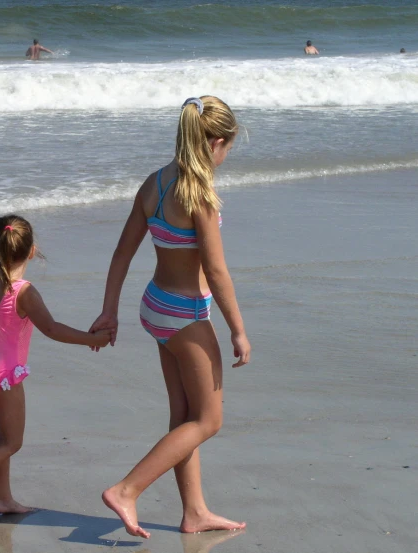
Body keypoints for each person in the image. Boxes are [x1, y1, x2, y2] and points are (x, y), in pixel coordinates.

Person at [89, 96, 251, 539]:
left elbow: (123, 252)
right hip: (184, 315)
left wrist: (109, 309)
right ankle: (127, 489)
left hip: (154, 307)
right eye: (227, 148)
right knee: (209, 420)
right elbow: (216, 271)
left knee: (183, 416)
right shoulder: (198, 195)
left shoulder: (156, 182)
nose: (225, 156)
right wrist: (238, 329)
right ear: (216, 142)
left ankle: (194, 511)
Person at [0, 214, 112, 523]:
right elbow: (51, 328)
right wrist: (92, 339)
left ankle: (3, 498)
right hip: (5, 377)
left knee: (0, 439)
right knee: (12, 442)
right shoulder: (24, 291)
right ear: (32, 251)